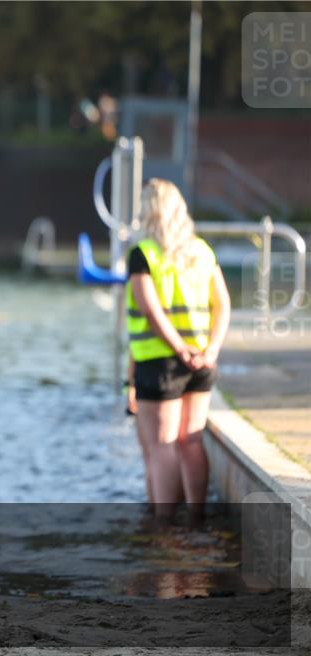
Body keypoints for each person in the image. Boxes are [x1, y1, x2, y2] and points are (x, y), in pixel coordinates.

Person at [126, 179, 230, 519]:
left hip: (161, 363)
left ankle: (164, 526)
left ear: (148, 211)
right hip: (201, 362)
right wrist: (211, 349)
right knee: (191, 440)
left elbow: (150, 310)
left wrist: (178, 349)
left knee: (163, 446)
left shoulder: (144, 254)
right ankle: (196, 518)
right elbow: (222, 304)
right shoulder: (202, 251)